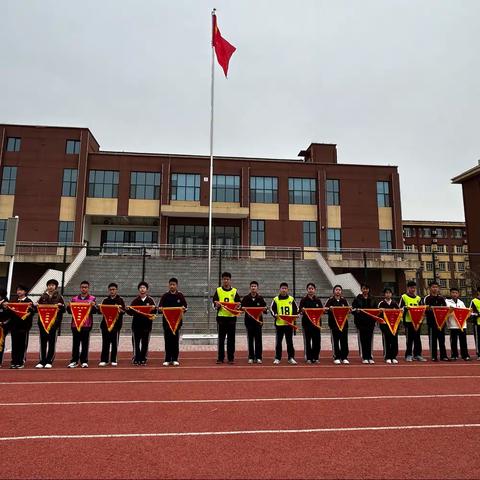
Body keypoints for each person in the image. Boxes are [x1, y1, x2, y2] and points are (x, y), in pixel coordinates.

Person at [213, 272, 241, 364]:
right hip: (221, 318)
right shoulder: (218, 290)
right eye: (224, 279)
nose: (226, 281)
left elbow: (238, 304)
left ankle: (230, 358)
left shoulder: (234, 291)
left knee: (231, 339)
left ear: (230, 280)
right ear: (222, 280)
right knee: (221, 339)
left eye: (227, 279)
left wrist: (237, 306)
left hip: (231, 318)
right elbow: (214, 304)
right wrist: (216, 305)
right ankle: (220, 358)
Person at [36, 279, 65, 369]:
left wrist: (61, 306)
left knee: (52, 343)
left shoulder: (59, 297)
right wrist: (35, 305)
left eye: (52, 285)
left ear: (56, 286)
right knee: (43, 343)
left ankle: (49, 361)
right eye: (49, 285)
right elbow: (37, 308)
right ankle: (42, 361)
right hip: (43, 324)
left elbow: (64, 310)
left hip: (54, 324)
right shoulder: (42, 297)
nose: (50, 287)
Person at [159, 278, 188, 366]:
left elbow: (185, 307)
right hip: (167, 323)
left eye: (174, 284)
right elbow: (159, 308)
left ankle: (175, 358)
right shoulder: (165, 296)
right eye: (171, 284)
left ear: (176, 285)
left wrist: (183, 309)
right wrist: (160, 309)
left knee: (175, 341)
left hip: (177, 323)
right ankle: (167, 359)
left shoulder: (180, 296)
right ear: (169, 285)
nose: (172, 286)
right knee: (167, 341)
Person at [67, 280, 96, 368]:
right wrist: (69, 307)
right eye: (82, 287)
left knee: (85, 343)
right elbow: (69, 311)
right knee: (75, 343)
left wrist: (93, 306)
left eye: (86, 287)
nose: (84, 289)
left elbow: (95, 311)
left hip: (87, 325)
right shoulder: (74, 299)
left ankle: (84, 361)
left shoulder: (92, 299)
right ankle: (74, 360)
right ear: (80, 288)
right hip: (75, 324)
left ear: (88, 288)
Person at [271, 282, 299, 365]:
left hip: (289, 324)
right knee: (278, 342)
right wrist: (275, 314)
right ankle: (277, 358)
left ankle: (291, 357)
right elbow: (272, 309)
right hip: (279, 324)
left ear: (287, 289)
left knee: (289, 342)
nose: (284, 290)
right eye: (282, 288)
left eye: (285, 288)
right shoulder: (276, 299)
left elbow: (296, 309)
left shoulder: (291, 299)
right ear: (280, 289)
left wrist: (294, 316)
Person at [129, 281, 156, 366]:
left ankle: (143, 358)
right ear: (138, 290)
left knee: (145, 343)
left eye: (144, 288)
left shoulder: (150, 300)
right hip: (136, 326)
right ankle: (136, 358)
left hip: (147, 326)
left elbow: (155, 312)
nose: (142, 289)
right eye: (140, 288)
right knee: (136, 343)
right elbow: (130, 312)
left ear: (147, 289)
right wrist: (128, 309)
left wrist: (153, 309)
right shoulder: (135, 301)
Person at [99, 283, 126, 367]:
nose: (112, 291)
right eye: (110, 289)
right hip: (105, 325)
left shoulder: (120, 300)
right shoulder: (105, 300)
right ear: (108, 290)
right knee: (105, 343)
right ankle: (104, 359)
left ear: (116, 290)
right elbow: (100, 311)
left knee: (114, 343)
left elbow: (124, 311)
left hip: (116, 325)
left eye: (113, 289)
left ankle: (114, 359)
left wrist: (119, 309)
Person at [241, 281, 267, 364]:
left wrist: (265, 309)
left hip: (258, 322)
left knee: (258, 340)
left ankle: (258, 357)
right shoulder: (246, 298)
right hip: (249, 322)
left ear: (257, 288)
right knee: (250, 340)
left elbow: (265, 309)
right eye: (252, 286)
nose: (253, 288)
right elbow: (241, 309)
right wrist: (243, 308)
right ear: (250, 288)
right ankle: (251, 357)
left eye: (255, 286)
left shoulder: (260, 298)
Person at [399, 281, 426, 362]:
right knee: (409, 339)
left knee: (417, 338)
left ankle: (417, 354)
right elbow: (400, 308)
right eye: (411, 288)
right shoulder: (404, 297)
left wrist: (421, 319)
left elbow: (422, 309)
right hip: (408, 321)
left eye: (414, 288)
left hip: (417, 322)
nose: (413, 289)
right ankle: (408, 354)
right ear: (408, 288)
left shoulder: (418, 298)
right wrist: (405, 309)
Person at [9, 285, 34, 369]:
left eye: (21, 290)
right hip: (14, 327)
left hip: (24, 327)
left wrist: (31, 308)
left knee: (22, 345)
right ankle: (14, 361)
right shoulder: (14, 301)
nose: (19, 292)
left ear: (25, 291)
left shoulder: (28, 301)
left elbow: (32, 313)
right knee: (14, 345)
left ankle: (20, 361)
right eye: (18, 290)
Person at [424, 281, 449, 361]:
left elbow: (445, 309)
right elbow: (425, 309)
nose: (435, 289)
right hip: (432, 323)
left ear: (438, 288)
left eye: (436, 287)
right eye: (433, 287)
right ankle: (433, 356)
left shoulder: (441, 298)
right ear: (430, 288)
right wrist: (431, 309)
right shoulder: (427, 298)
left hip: (441, 323)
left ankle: (443, 356)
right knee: (433, 340)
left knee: (442, 340)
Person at [325, 285, 350, 365]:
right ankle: (336, 357)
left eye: (339, 290)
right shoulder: (330, 300)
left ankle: (344, 357)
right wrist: (329, 309)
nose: (338, 291)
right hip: (334, 325)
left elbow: (349, 310)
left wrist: (349, 309)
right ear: (334, 291)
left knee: (344, 341)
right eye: (336, 290)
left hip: (344, 325)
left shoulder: (344, 300)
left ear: (341, 291)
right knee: (335, 341)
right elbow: (325, 310)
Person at [299, 283, 323, 364]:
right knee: (307, 342)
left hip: (316, 324)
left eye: (312, 288)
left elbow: (321, 311)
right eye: (309, 288)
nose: (311, 290)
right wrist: (302, 310)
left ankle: (315, 357)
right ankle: (308, 357)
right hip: (306, 325)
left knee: (317, 341)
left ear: (315, 290)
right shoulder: (303, 300)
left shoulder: (318, 300)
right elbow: (300, 311)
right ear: (307, 290)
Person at [352, 284, 377, 364]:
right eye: (363, 289)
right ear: (361, 289)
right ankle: (364, 357)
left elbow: (376, 310)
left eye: (366, 289)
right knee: (363, 340)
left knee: (369, 340)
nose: (365, 290)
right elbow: (353, 310)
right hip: (361, 323)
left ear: (368, 290)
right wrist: (357, 311)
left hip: (370, 323)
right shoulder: (357, 299)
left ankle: (370, 356)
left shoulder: (373, 299)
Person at [446, 287, 470, 361]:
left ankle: (465, 355)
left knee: (463, 341)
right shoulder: (447, 302)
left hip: (462, 325)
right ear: (450, 293)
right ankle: (454, 355)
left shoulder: (461, 302)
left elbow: (465, 312)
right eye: (453, 293)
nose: (454, 294)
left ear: (458, 294)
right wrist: (450, 310)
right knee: (454, 341)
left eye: (456, 293)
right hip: (452, 325)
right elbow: (445, 312)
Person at [378, 288, 400, 364]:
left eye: (389, 293)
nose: (388, 294)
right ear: (384, 294)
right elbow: (378, 315)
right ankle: (387, 356)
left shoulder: (395, 303)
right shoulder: (381, 303)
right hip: (385, 326)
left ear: (391, 294)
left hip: (394, 326)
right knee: (387, 341)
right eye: (386, 293)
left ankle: (393, 356)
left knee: (394, 341)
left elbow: (399, 314)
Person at [0, 288, 11, 368]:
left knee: (0, 343)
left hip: (3, 327)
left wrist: (3, 323)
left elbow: (9, 316)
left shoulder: (6, 302)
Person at [470, 287, 480, 360]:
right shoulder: (474, 301)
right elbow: (470, 312)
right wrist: (478, 314)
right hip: (477, 323)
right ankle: (479, 354)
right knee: (478, 339)